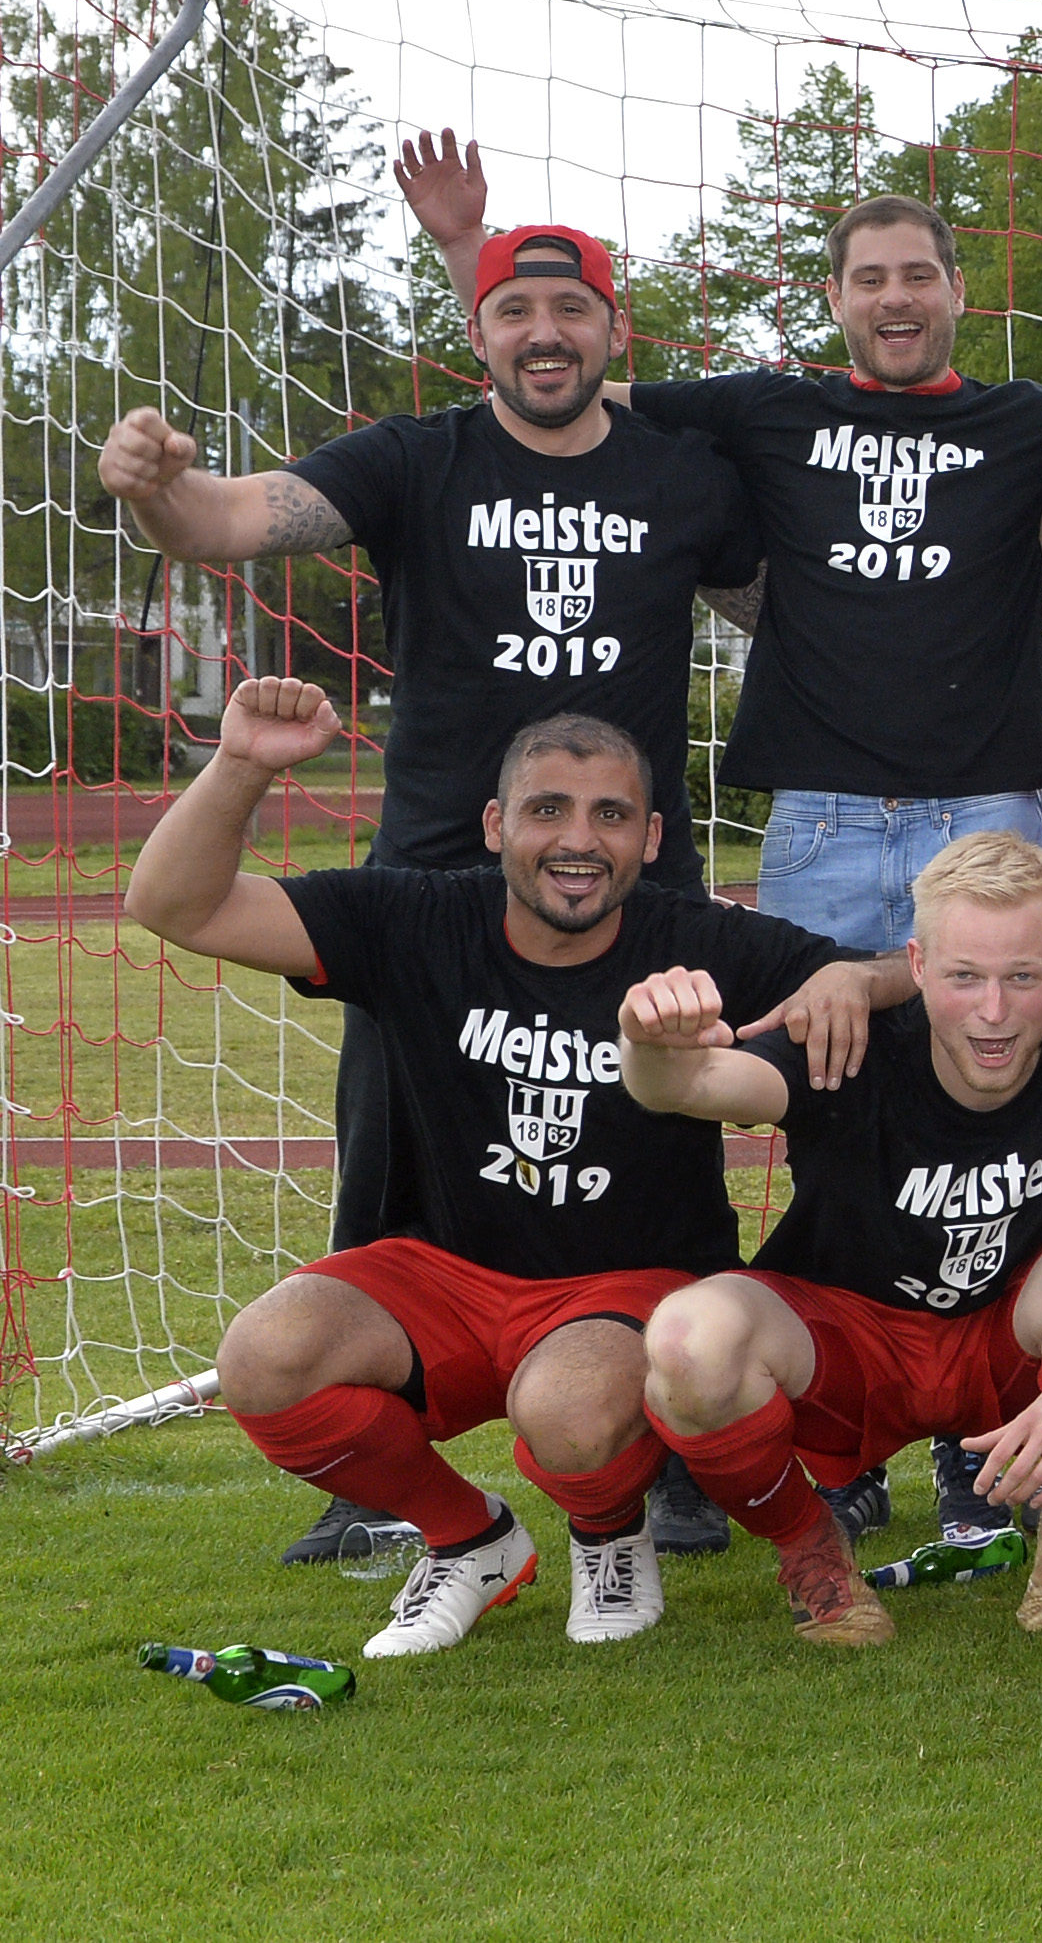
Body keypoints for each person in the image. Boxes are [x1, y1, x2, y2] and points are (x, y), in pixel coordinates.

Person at [96, 217, 763, 1565]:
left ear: (614, 331)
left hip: (626, 875)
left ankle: (682, 1447)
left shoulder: (686, 477)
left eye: (569, 312)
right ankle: (375, 1466)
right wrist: (156, 487)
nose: (544, 335)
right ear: (479, 334)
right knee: (394, 1149)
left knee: (663, 1146)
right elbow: (229, 519)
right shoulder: (414, 461)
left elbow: (790, 615)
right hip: (435, 882)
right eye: (514, 312)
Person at [128, 684, 887, 1655]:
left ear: (651, 837)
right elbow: (172, 903)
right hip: (445, 1273)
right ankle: (469, 1539)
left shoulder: (699, 939)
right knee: (263, 1356)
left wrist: (849, 975)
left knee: (567, 1410)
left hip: (629, 1285)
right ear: (495, 825)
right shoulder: (415, 915)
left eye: (610, 814)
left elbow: (905, 972)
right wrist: (241, 764)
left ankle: (610, 1534)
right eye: (548, 809)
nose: (579, 840)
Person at [392, 144, 1042, 956]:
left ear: (957, 290)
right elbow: (556, 384)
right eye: (869, 279)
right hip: (823, 816)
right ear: (836, 298)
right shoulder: (770, 410)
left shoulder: (1033, 421)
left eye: (918, 275)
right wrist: (467, 252)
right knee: (812, 1030)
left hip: (988, 809)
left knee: (996, 1020)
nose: (895, 295)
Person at [618, 835, 1042, 1644]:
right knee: (686, 1341)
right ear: (918, 967)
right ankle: (809, 1547)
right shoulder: (854, 1038)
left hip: (1002, 1331)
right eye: (964, 977)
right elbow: (693, 1085)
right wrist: (649, 1044)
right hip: (847, 1337)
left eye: (1022, 977)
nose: (992, 1011)